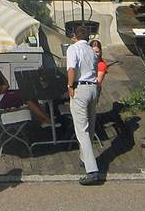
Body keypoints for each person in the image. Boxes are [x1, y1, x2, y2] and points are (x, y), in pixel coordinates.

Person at [66, 24, 102, 186]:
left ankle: (92, 170)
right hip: (93, 88)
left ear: (75, 36)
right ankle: (84, 158)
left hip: (80, 88)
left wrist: (69, 86)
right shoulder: (91, 50)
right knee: (91, 126)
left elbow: (72, 69)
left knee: (82, 130)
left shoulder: (73, 49)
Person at [0, 53, 51, 126]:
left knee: (28, 92)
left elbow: (5, 82)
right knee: (25, 96)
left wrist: (4, 87)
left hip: (4, 93)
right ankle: (47, 119)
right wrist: (2, 88)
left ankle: (42, 119)